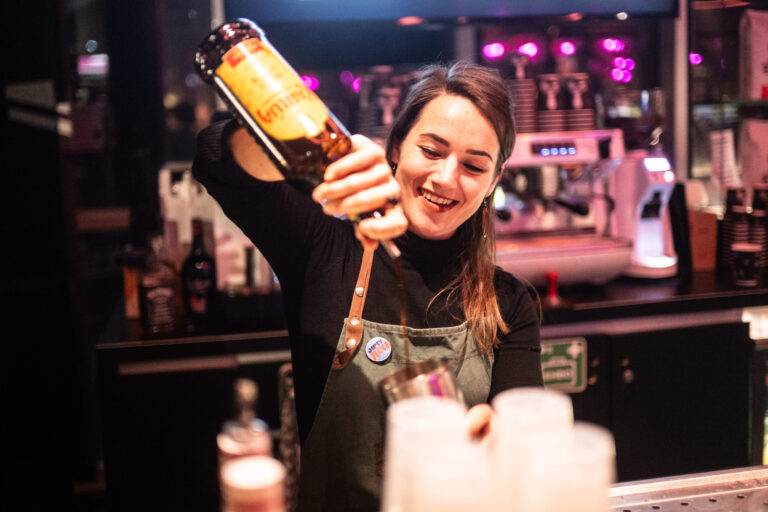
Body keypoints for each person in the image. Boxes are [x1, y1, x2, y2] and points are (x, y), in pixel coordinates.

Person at [193, 61, 542, 512]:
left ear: (494, 181)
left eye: (474, 166)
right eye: (432, 151)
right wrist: (320, 147)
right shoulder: (323, 248)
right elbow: (215, 158)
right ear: (396, 146)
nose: (445, 178)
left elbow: (524, 430)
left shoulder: (509, 304)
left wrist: (501, 437)